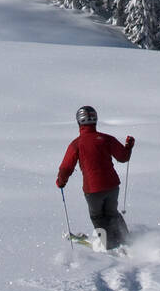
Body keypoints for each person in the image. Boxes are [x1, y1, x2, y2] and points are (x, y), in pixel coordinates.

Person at [56, 105, 134, 249]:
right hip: (112, 186)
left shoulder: (76, 144)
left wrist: (61, 182)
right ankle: (126, 240)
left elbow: (66, 168)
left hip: (93, 189)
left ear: (79, 122)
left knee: (98, 217)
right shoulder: (106, 139)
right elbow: (123, 157)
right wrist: (128, 146)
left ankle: (110, 246)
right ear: (95, 120)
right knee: (112, 213)